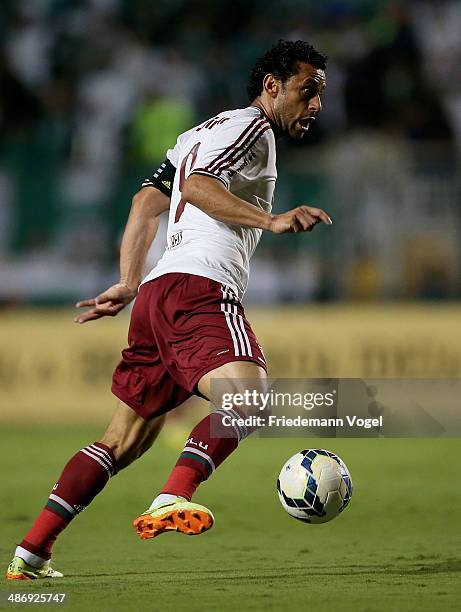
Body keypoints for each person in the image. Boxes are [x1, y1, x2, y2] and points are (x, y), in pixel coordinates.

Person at [6, 39, 331, 580]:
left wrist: (130, 281)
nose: (316, 103)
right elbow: (202, 188)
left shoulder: (199, 133)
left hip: (158, 294)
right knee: (247, 399)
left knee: (120, 442)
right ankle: (173, 496)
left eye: (320, 92)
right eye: (307, 90)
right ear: (272, 87)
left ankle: (32, 552)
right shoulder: (252, 128)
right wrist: (270, 220)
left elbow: (144, 204)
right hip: (198, 287)